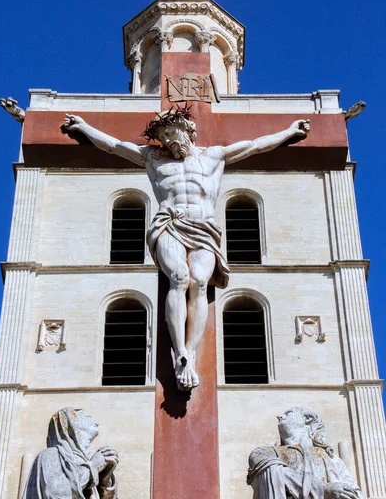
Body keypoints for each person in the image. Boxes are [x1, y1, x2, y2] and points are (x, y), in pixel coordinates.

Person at [63, 107, 310, 391]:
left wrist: (290, 132)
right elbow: (115, 146)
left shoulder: (214, 155)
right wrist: (83, 128)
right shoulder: (152, 158)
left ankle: (190, 354)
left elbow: (254, 146)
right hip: (169, 223)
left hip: (203, 228)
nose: (167, 141)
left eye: (170, 133)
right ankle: (179, 350)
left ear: (187, 129)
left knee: (200, 281)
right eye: (162, 137)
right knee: (179, 277)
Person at [247, 407, 362, 499]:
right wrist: (323, 490)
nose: (280, 416)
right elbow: (274, 471)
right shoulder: (263, 453)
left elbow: (354, 493)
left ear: (308, 418)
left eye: (288, 413)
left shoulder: (332, 459)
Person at [22, 407, 118, 498]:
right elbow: (55, 493)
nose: (96, 423)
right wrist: (93, 467)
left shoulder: (89, 458)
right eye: (88, 417)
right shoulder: (51, 454)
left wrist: (104, 481)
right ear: (73, 423)